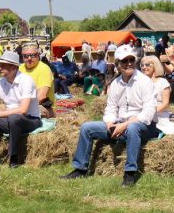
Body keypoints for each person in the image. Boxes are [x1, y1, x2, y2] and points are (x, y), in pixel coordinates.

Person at [63, 45, 159, 186]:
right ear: (118, 64)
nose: (129, 64)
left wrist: (124, 125)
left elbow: (148, 113)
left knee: (133, 128)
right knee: (86, 128)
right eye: (125, 61)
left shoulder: (145, 82)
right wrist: (109, 124)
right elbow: (111, 109)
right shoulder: (115, 84)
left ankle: (130, 173)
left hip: (144, 126)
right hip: (120, 124)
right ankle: (80, 169)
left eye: (131, 60)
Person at [18, 43, 56, 117]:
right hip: (21, 104)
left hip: (42, 106)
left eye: (32, 55)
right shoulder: (20, 68)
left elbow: (41, 96)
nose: (29, 58)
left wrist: (21, 108)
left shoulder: (44, 69)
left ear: (38, 55)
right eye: (26, 56)